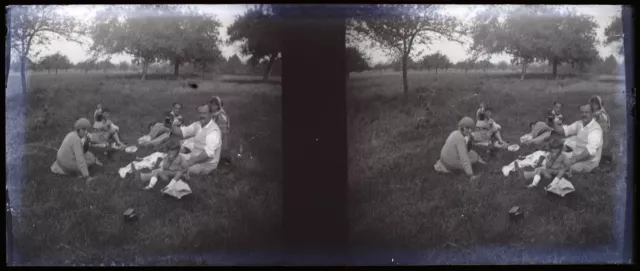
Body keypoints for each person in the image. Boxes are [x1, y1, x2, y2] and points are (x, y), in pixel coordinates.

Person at [170, 104, 222, 175]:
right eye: (200, 113)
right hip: (193, 157)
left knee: (183, 170)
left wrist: (190, 162)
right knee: (171, 158)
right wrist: (169, 124)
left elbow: (207, 154)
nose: (202, 115)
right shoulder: (197, 125)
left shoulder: (213, 131)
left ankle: (165, 176)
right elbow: (181, 132)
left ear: (210, 114)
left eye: (205, 113)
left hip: (206, 164)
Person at [552, 104, 604, 174]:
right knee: (553, 156)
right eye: (582, 112)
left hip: (589, 161)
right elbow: (563, 131)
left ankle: (548, 174)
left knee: (566, 168)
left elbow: (589, 152)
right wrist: (552, 122)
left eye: (587, 112)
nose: (584, 114)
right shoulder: (579, 124)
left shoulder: (595, 129)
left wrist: (574, 159)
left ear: (592, 113)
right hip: (575, 155)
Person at [434, 117, 485, 181]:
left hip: (444, 157)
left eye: (471, 128)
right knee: (474, 159)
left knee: (474, 155)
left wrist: (470, 141)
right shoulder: (460, 139)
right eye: (467, 128)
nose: (469, 130)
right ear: (462, 127)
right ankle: (469, 176)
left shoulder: (455, 132)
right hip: (449, 162)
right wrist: (471, 175)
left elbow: (466, 149)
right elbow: (464, 158)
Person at [209, 96, 231, 164]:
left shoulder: (221, 116)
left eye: (215, 105)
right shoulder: (213, 115)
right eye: (211, 105)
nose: (213, 107)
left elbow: (223, 133)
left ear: (218, 106)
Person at [590, 95, 612, 162]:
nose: (593, 106)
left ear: (599, 105)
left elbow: (604, 129)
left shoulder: (601, 115)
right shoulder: (595, 114)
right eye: (592, 104)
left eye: (595, 104)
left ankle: (604, 157)